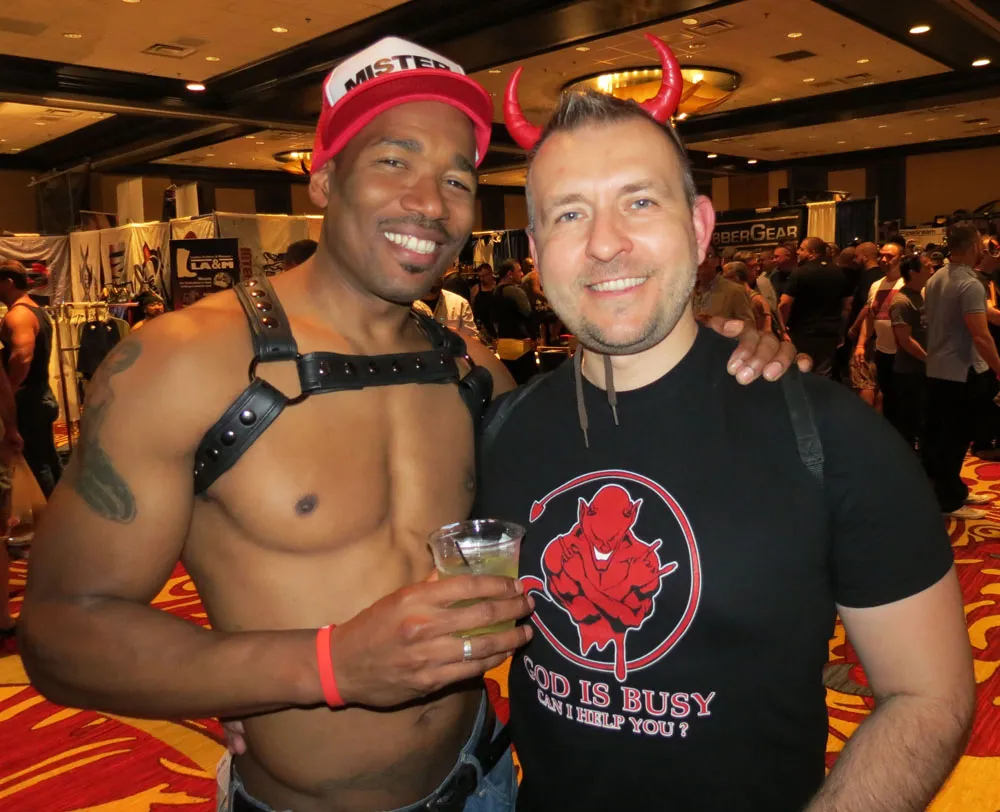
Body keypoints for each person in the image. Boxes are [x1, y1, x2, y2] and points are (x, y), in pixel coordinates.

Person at [18, 36, 798, 812]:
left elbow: (616, 453)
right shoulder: (184, 362)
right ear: (324, 178)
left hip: (487, 781)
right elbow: (58, 632)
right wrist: (320, 667)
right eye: (394, 161)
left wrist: (707, 348)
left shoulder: (469, 370)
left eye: (456, 178)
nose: (429, 203)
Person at [480, 47, 973, 812]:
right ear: (538, 253)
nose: (605, 243)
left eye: (639, 202)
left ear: (700, 226)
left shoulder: (834, 437)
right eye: (570, 213)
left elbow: (929, 694)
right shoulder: (500, 430)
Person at [923, 224, 1000, 519]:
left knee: (944, 435)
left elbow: (982, 315)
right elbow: (981, 335)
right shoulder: (970, 283)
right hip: (961, 369)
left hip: (938, 367)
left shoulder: (937, 277)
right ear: (973, 246)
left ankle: (952, 490)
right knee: (954, 438)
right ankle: (948, 500)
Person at [0, 260, 62, 497]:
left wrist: (9, 391)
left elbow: (22, 357)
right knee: (47, 459)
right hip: (37, 395)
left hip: (28, 399)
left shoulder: (18, 315)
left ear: (8, 282)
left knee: (37, 464)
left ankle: (53, 514)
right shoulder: (35, 310)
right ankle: (63, 509)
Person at [779, 237, 852, 377]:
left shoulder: (799, 272)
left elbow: (785, 304)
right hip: (829, 332)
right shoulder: (840, 273)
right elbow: (847, 307)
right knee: (823, 375)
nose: (798, 252)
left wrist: (782, 329)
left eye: (801, 249)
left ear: (812, 252)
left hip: (803, 332)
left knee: (800, 371)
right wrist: (841, 330)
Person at [889, 253, 933, 450]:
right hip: (910, 371)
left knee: (923, 418)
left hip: (923, 368)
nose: (931, 270)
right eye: (927, 267)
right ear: (914, 272)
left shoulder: (920, 295)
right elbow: (905, 339)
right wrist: (929, 359)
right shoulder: (901, 301)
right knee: (910, 420)